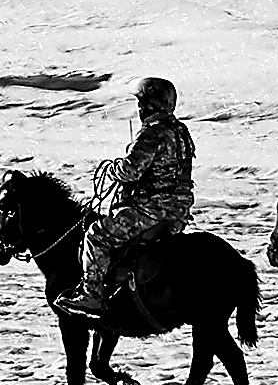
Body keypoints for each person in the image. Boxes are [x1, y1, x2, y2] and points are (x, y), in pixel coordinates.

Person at [54, 78, 194, 320]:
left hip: (151, 210)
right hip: (178, 212)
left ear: (148, 105)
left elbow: (130, 171)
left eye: (141, 103)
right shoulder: (181, 132)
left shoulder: (152, 134)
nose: (139, 109)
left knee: (97, 235)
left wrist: (113, 168)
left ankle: (92, 296)